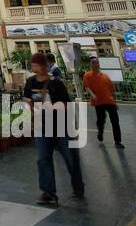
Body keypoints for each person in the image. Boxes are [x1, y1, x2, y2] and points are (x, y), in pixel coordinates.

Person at [24, 52, 83, 205]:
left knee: (71, 159)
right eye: (33, 64)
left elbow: (66, 104)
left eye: (37, 64)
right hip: (42, 128)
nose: (35, 67)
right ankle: (48, 192)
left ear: (44, 65)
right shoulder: (30, 82)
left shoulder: (56, 83)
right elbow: (28, 100)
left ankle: (78, 187)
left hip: (61, 127)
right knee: (43, 159)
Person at [82, 57, 123, 148]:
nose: (95, 64)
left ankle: (117, 141)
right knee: (101, 120)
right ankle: (100, 132)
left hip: (109, 101)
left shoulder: (105, 76)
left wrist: (115, 103)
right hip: (98, 102)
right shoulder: (87, 75)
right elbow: (87, 86)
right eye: (92, 63)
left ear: (99, 64)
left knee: (115, 121)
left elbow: (111, 91)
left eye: (96, 62)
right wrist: (92, 95)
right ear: (90, 64)